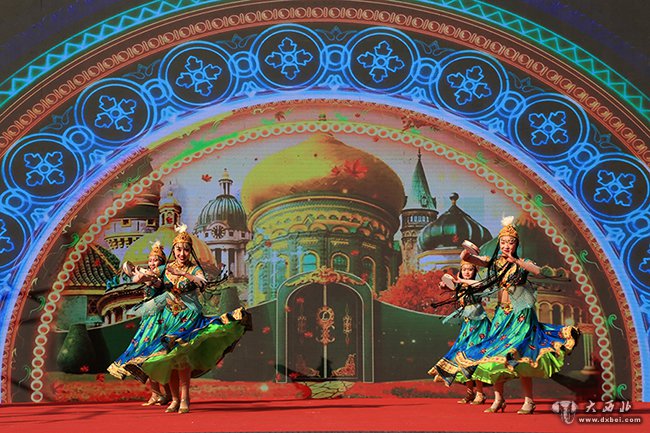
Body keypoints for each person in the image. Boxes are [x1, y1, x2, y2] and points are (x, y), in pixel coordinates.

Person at [455, 217, 579, 414]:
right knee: (495, 354)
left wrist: (517, 261)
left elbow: (539, 272)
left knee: (520, 355)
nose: (506, 246)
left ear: (516, 245)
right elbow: (472, 259)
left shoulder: (523, 262)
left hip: (520, 314)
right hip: (501, 315)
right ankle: (498, 399)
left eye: (510, 242)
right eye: (503, 242)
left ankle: (528, 401)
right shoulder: (495, 263)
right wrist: (467, 252)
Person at [139, 225, 251, 414]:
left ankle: (184, 398)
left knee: (182, 358)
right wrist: (140, 276)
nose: (182, 253)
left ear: (190, 251)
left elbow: (202, 282)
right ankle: (175, 399)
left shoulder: (194, 269)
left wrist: (183, 274)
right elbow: (153, 280)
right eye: (178, 249)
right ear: (174, 250)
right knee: (169, 360)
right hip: (168, 318)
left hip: (188, 316)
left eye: (186, 249)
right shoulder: (166, 269)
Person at [107, 241, 171, 406]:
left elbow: (152, 281)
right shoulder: (149, 274)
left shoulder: (160, 275)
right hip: (148, 320)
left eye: (155, 260)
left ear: (161, 263)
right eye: (150, 260)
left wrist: (141, 274)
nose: (152, 263)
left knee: (158, 356)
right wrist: (135, 272)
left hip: (159, 320)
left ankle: (168, 393)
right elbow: (138, 277)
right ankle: (156, 394)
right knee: (146, 357)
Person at [428, 261, 491, 405]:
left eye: (470, 269)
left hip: (479, 325)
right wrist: (445, 285)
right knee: (463, 358)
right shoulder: (461, 286)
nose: (467, 272)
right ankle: (469, 393)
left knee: (475, 358)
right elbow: (450, 286)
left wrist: (459, 281)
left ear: (475, 271)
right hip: (467, 324)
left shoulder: (476, 284)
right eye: (464, 269)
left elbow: (478, 285)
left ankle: (480, 393)